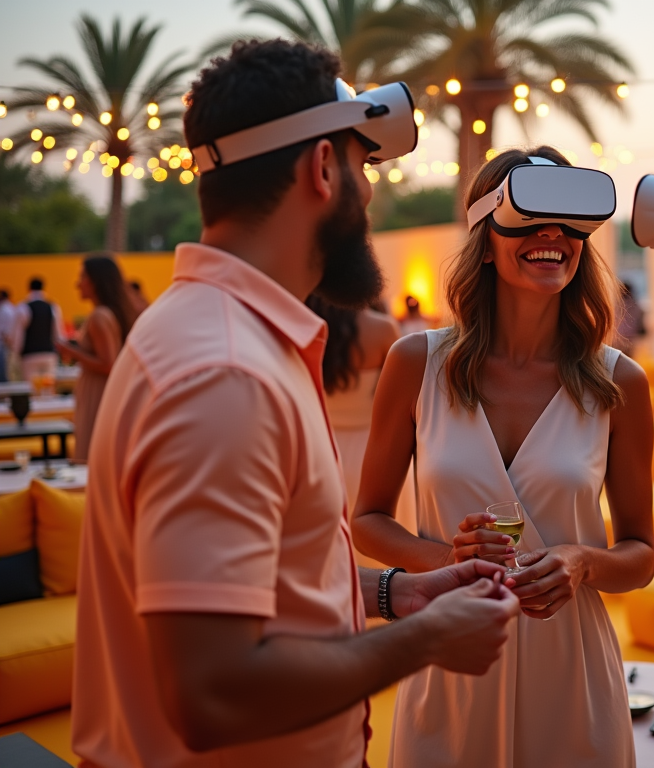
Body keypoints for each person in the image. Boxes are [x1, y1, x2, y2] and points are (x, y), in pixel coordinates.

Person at [72, 39, 519, 768]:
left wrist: (397, 595)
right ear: (320, 167)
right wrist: (427, 639)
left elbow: (265, 585)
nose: (369, 195)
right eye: (362, 166)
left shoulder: (215, 335)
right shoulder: (225, 373)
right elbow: (212, 692)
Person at [352, 146, 654, 768]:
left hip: (573, 675)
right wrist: (445, 561)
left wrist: (582, 562)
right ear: (485, 238)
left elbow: (641, 556)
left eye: (570, 220)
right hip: (450, 664)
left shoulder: (619, 381)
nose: (553, 234)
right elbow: (368, 521)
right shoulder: (416, 364)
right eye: (530, 214)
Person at [307, 295, 417, 558]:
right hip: (377, 455)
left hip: (321, 454)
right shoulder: (382, 330)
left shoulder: (307, 330)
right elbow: (406, 396)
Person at [54, 254, 138, 462]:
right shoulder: (107, 313)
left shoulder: (99, 316)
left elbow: (108, 364)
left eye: (82, 277)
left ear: (95, 281)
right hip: (101, 391)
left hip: (98, 394)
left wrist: (72, 352)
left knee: (93, 456)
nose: (77, 284)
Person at [16, 277, 65, 384]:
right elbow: (58, 334)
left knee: (32, 389)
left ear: (29, 289)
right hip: (49, 354)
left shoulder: (23, 307)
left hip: (30, 355)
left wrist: (17, 352)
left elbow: (18, 336)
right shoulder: (53, 307)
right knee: (48, 389)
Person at [615, 280, 645, 357]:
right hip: (631, 337)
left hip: (618, 337)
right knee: (629, 361)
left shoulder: (617, 304)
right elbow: (640, 320)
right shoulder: (635, 304)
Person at [0, 289, 16, 382]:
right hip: (8, 345)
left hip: (4, 345)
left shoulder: (4, 310)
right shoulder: (12, 308)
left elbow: (5, 332)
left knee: (4, 374)